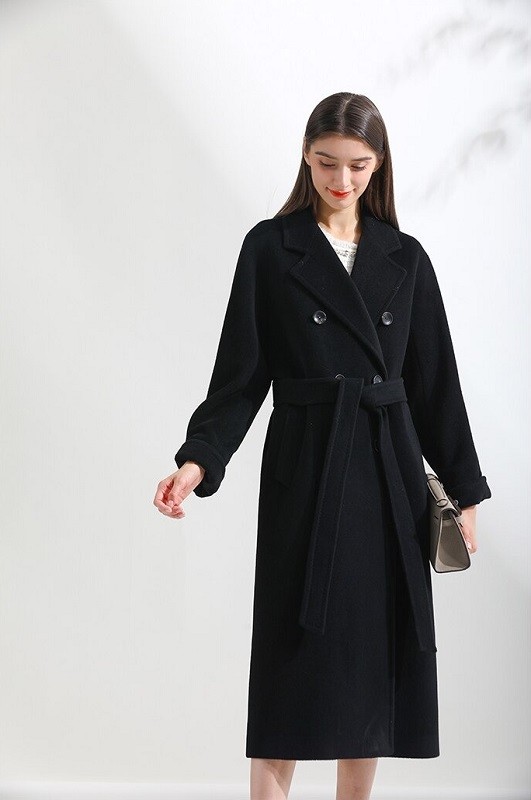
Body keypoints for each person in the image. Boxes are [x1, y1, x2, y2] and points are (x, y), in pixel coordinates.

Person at [153, 92, 492, 800]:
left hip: (387, 475)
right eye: (325, 162)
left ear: (380, 164)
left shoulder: (404, 257)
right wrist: (198, 458)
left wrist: (463, 492)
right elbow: (240, 374)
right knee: (292, 660)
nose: (341, 180)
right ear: (305, 158)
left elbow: (435, 384)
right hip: (306, 471)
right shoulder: (270, 248)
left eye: (357, 165)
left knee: (367, 662)